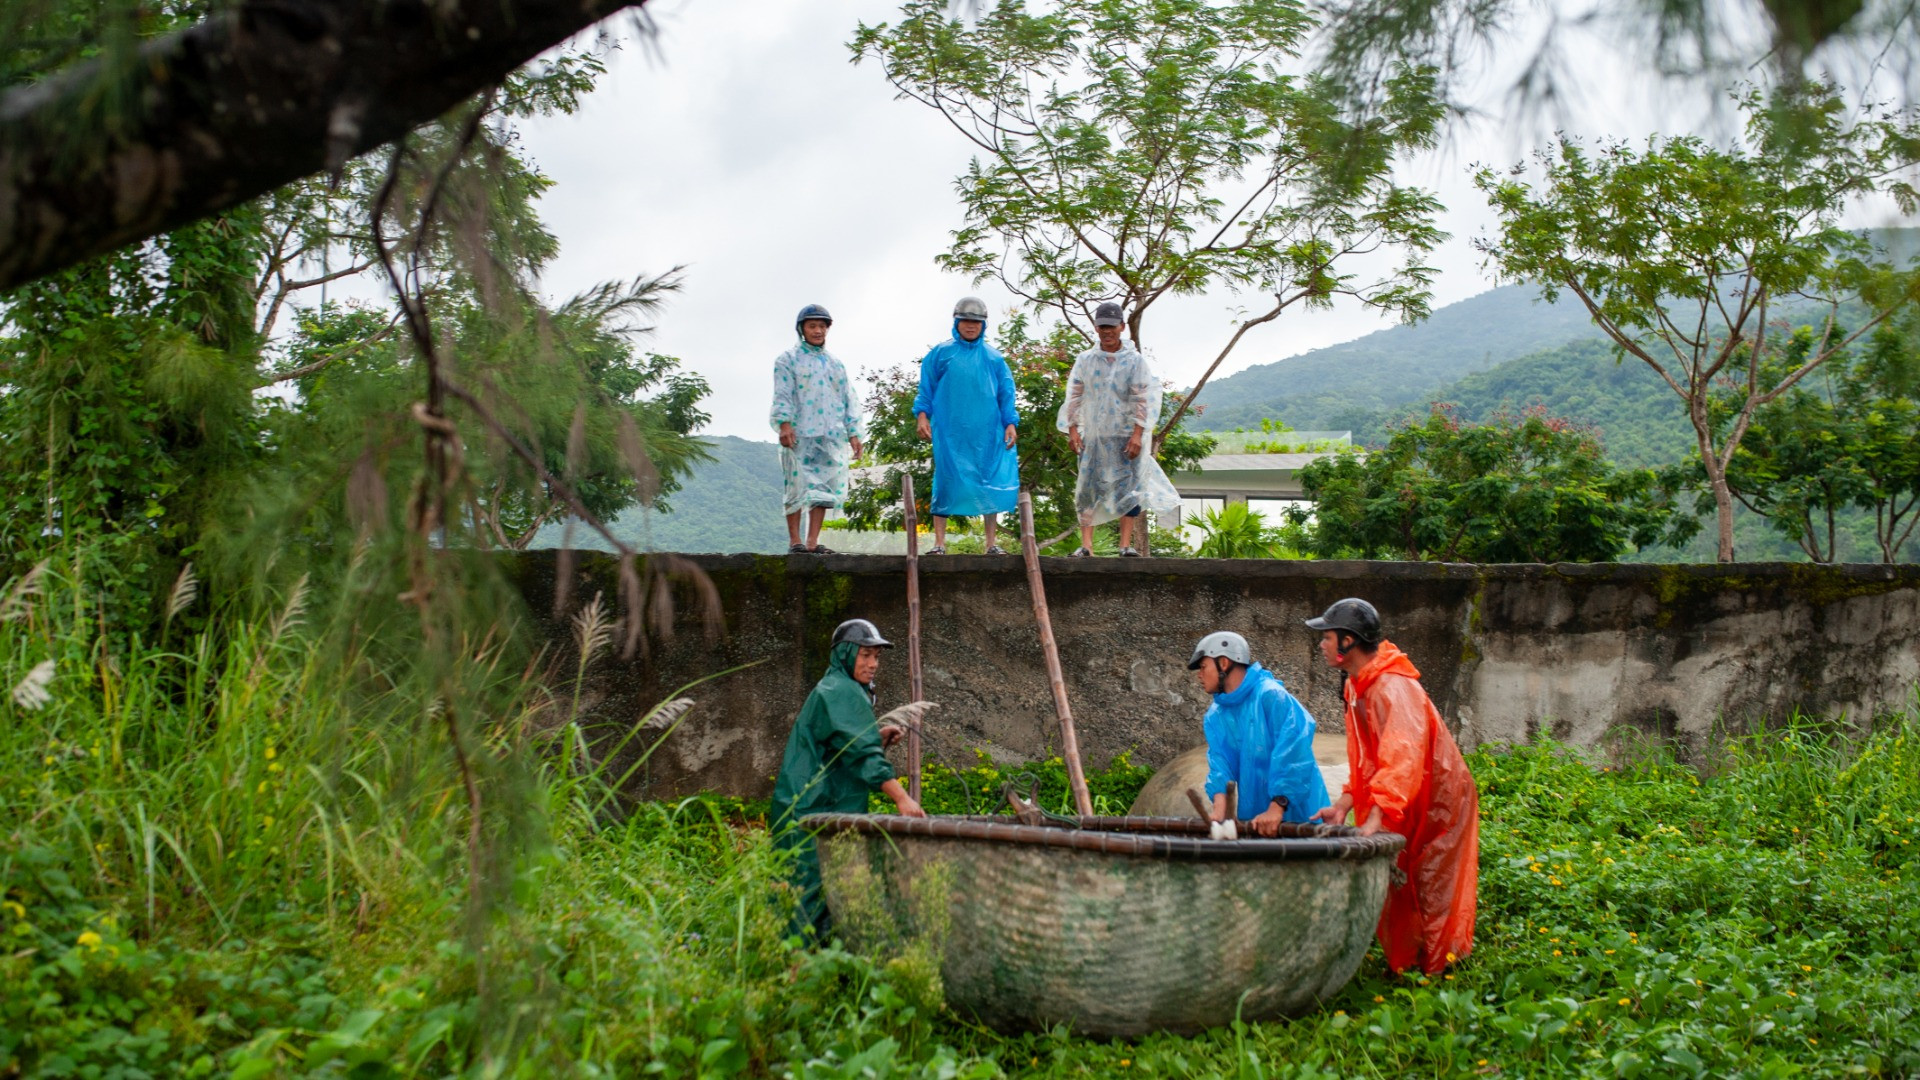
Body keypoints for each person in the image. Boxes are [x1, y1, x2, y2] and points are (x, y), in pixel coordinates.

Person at [1307, 598, 1479, 975]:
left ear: (1348, 642)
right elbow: (1366, 757)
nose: (1321, 644)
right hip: (1406, 792)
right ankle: (1408, 961)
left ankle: (1441, 968)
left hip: (1440, 796)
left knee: (1433, 879)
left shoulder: (1391, 686)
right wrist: (1346, 803)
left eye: (1327, 636)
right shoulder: (1358, 686)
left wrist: (1377, 815)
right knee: (1400, 875)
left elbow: (1403, 756)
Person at [769, 618, 926, 942]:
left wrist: (875, 734)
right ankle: (798, 973)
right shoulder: (840, 691)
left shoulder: (838, 687)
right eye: (865, 655)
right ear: (845, 653)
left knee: (818, 889)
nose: (872, 664)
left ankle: (817, 967)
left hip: (814, 806)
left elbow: (844, 742)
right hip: (812, 809)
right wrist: (901, 798)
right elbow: (864, 757)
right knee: (808, 890)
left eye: (877, 657)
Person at [1056, 302, 1181, 556]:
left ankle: (1125, 546)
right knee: (1088, 488)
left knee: (1129, 488)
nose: (1107, 331)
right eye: (1102, 326)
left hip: (1126, 435)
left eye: (1112, 326)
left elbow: (1142, 399)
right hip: (1095, 433)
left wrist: (1138, 434)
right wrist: (1073, 430)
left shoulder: (1134, 361)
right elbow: (1075, 395)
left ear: (1121, 327)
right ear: (1096, 327)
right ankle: (1087, 546)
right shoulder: (1086, 360)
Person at [1189, 631, 1331, 836]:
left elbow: (1295, 750)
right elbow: (1220, 765)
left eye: (1203, 667)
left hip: (1299, 814)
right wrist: (1220, 812)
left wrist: (1277, 806)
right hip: (1255, 818)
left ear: (1223, 662)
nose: (1199, 675)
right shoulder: (1215, 715)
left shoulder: (1271, 695)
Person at [912, 296, 1020, 554]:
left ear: (983, 325)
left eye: (976, 322)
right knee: (946, 479)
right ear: (957, 322)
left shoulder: (994, 359)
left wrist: (1010, 423)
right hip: (950, 432)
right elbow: (925, 388)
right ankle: (939, 543)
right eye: (966, 321)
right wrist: (922, 416)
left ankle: (991, 543)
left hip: (987, 431)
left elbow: (1006, 393)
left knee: (988, 482)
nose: (971, 326)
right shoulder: (940, 354)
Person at [771, 304, 863, 553]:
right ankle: (795, 541)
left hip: (830, 435)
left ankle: (812, 542)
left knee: (823, 490)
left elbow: (848, 399)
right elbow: (783, 394)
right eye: (812, 326)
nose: (818, 330)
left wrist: (853, 432)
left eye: (822, 326)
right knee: (796, 487)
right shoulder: (788, 359)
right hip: (800, 434)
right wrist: (784, 423)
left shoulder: (835, 364)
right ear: (802, 329)